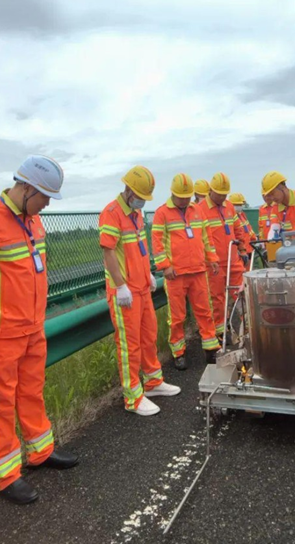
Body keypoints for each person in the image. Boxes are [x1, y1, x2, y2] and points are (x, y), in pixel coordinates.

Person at [0, 156, 78, 504]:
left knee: (31, 391)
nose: (46, 204)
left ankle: (40, 451)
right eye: (44, 196)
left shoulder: (34, 220)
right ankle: (4, 476)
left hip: (31, 327)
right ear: (26, 187)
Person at [100, 166, 180, 416]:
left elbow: (140, 249)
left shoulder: (135, 214)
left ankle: (154, 383)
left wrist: (148, 275)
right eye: (140, 196)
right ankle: (133, 397)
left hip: (142, 288)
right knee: (129, 345)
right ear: (128, 190)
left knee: (148, 337)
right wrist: (120, 285)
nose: (143, 201)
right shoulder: (111, 213)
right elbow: (108, 252)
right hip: (126, 294)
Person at [151, 173, 219, 369]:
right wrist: (165, 265)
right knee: (177, 317)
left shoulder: (197, 210)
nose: (185, 200)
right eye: (182, 197)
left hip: (198, 271)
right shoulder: (162, 213)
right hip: (176, 275)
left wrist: (212, 259)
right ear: (173, 193)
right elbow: (157, 242)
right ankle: (178, 353)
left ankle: (211, 348)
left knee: (205, 311)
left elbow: (207, 238)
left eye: (188, 197)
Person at [195, 172, 249, 344]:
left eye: (225, 194)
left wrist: (242, 249)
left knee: (242, 293)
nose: (222, 197)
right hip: (214, 264)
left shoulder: (229, 207)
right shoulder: (200, 209)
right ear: (211, 191)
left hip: (233, 260)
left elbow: (237, 228)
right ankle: (220, 332)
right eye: (220, 194)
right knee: (217, 299)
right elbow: (199, 238)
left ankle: (247, 326)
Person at [229, 193, 257, 263]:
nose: (239, 207)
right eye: (237, 205)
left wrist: (254, 239)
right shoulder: (230, 218)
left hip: (248, 248)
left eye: (240, 205)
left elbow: (249, 229)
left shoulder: (242, 215)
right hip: (240, 251)